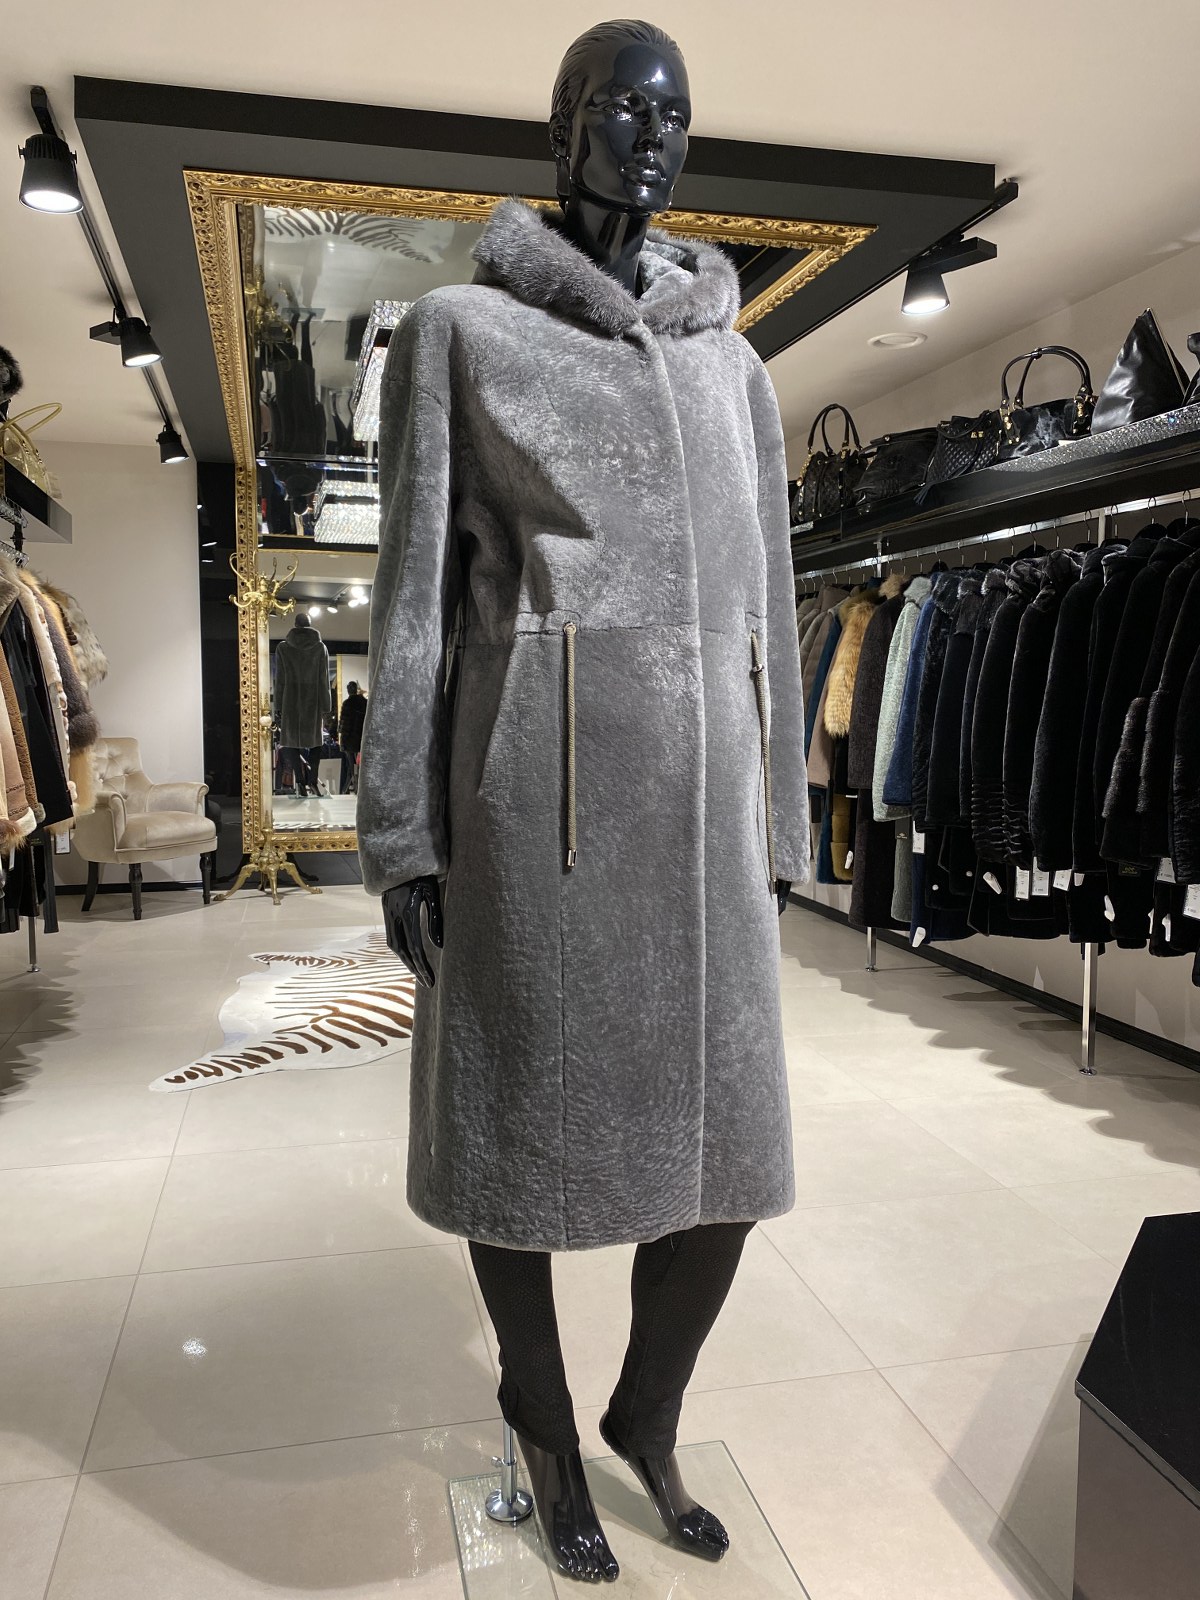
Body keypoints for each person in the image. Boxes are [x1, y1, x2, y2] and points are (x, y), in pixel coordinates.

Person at [358, 19, 808, 1584]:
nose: (652, 136)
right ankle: (543, 1419)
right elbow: (413, 602)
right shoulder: (464, 334)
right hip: (536, 816)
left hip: (710, 832)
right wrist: (404, 837)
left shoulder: (734, 366)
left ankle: (645, 1411)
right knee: (519, 1135)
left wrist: (785, 821)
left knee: (732, 1167)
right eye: (621, 108)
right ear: (562, 130)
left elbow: (775, 612)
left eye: (675, 114)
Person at [339, 680, 367, 793]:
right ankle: (358, 789)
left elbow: (344, 724)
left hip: (350, 740)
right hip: (361, 739)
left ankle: (353, 789)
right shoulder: (364, 702)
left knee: (352, 767)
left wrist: (342, 741)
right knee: (360, 767)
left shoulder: (347, 703)